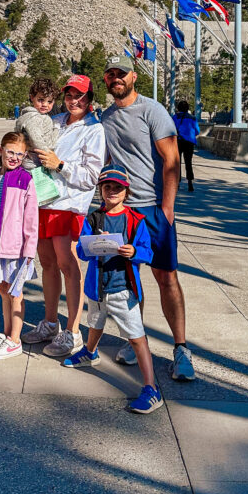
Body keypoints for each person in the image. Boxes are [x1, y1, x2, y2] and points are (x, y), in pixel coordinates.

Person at [101, 55, 195, 381]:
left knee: (166, 277)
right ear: (106, 79)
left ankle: (181, 349)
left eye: (121, 73)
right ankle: (134, 339)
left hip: (153, 209)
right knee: (130, 280)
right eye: (111, 74)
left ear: (133, 77)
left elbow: (171, 160)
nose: (117, 78)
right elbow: (108, 158)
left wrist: (168, 208)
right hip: (123, 212)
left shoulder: (152, 110)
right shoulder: (106, 117)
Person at [63, 166, 163, 414]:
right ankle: (89, 352)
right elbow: (83, 252)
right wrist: (96, 243)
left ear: (126, 191)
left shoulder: (135, 220)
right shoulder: (93, 218)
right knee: (95, 321)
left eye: (118, 187)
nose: (112, 191)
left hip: (123, 288)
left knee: (136, 336)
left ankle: (151, 388)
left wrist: (134, 252)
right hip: (97, 287)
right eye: (107, 187)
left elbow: (147, 252)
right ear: (101, 190)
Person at [22, 75, 106, 358]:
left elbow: (91, 176)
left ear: (89, 98)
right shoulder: (55, 120)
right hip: (42, 200)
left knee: (66, 263)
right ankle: (49, 323)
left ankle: (73, 332)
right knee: (46, 262)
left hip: (68, 204)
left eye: (80, 96)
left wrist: (61, 165)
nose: (74, 101)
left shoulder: (94, 130)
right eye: (69, 95)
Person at [0, 131, 39, 360]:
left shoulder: (25, 179)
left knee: (15, 292)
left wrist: (29, 249)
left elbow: (31, 218)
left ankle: (15, 340)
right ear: (0, 150)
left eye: (19, 154)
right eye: (10, 152)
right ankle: (6, 335)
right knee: (3, 289)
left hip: (15, 246)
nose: (14, 157)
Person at [14, 77, 61, 206]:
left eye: (49, 101)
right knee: (37, 202)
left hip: (34, 164)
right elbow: (38, 142)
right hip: (34, 167)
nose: (45, 104)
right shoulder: (33, 118)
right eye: (40, 100)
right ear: (32, 97)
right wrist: (55, 133)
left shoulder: (39, 117)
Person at [173, 99, 200, 192]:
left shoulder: (175, 117)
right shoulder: (193, 118)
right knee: (188, 162)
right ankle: (190, 182)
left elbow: (171, 129)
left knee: (177, 163)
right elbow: (197, 131)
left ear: (178, 108)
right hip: (189, 142)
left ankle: (177, 183)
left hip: (178, 141)